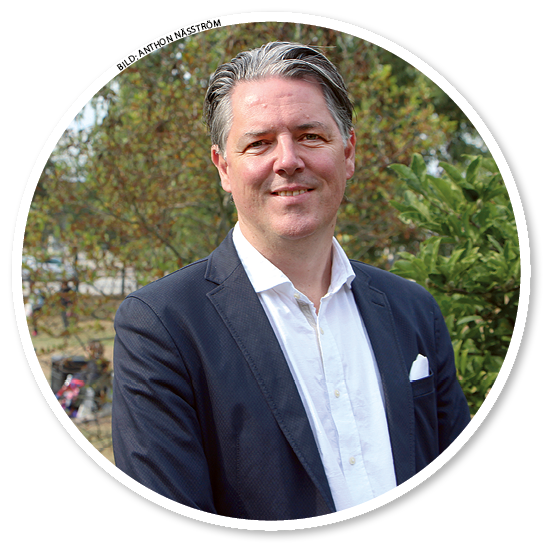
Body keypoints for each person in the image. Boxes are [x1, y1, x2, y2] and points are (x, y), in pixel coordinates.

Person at [112, 42, 470, 520]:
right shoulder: (162, 328)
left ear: (348, 153)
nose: (287, 160)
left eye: (310, 136)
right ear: (223, 166)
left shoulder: (413, 309)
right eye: (259, 143)